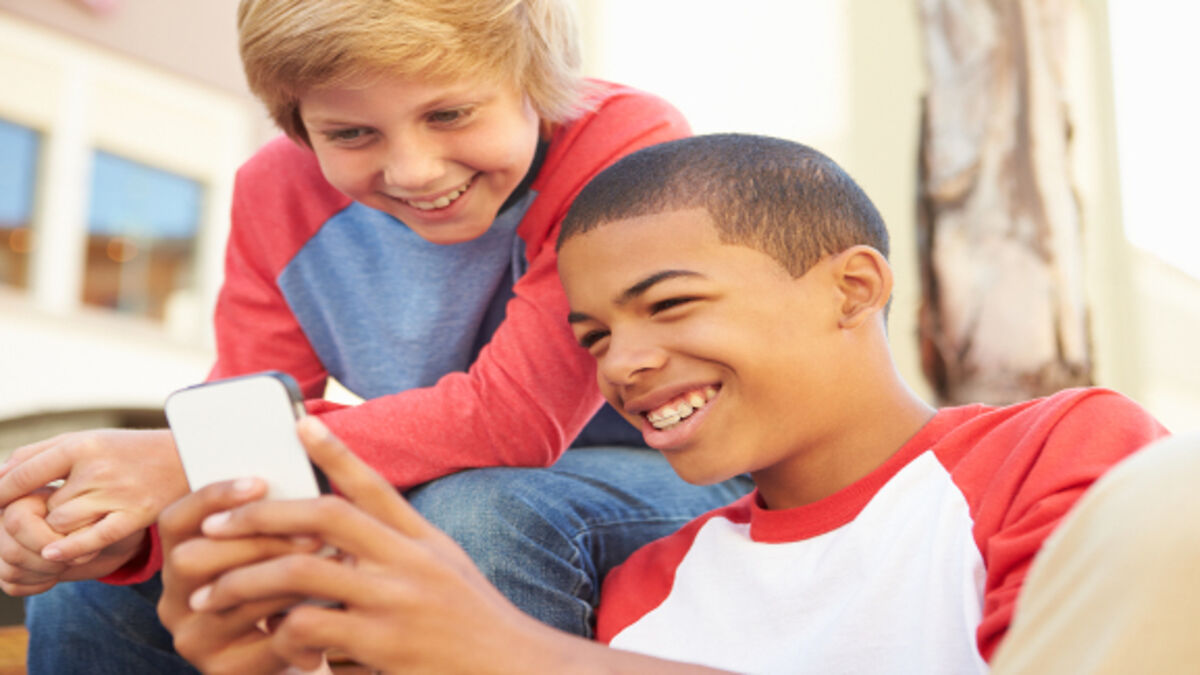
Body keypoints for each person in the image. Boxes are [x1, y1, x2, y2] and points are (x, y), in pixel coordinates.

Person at [156, 133, 1176, 673]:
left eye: (671, 305)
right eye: (594, 336)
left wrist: (518, 654)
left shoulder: (1057, 450)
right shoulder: (647, 583)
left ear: (853, 288)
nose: (625, 365)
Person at [0, 1, 752, 672]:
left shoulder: (626, 142)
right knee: (95, 587)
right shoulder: (274, 190)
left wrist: (191, 460)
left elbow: (516, 419)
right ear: (301, 128)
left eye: (450, 114)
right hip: (429, 479)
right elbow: (243, 421)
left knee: (479, 515)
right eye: (351, 133)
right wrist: (119, 534)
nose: (414, 170)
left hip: (673, 472)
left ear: (536, 81)